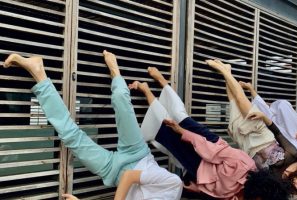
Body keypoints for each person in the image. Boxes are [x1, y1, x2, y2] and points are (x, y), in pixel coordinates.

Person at [2, 51, 182, 200]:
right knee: (121, 101)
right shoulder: (173, 186)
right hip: (136, 153)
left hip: (112, 171)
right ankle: (115, 70)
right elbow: (130, 177)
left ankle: (38, 73)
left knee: (70, 137)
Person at [130, 67, 291, 200]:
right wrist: (183, 132)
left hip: (199, 169)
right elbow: (212, 151)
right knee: (179, 118)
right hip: (208, 144)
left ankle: (146, 91)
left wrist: (196, 188)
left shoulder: (242, 196)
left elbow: (213, 193)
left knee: (165, 133)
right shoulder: (245, 164)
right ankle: (158, 83)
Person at [205, 59, 297, 173]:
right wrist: (263, 117)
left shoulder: (276, 182)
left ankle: (227, 70)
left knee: (233, 103)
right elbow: (278, 133)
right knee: (240, 98)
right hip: (262, 136)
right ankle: (222, 70)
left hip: (247, 146)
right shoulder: (293, 156)